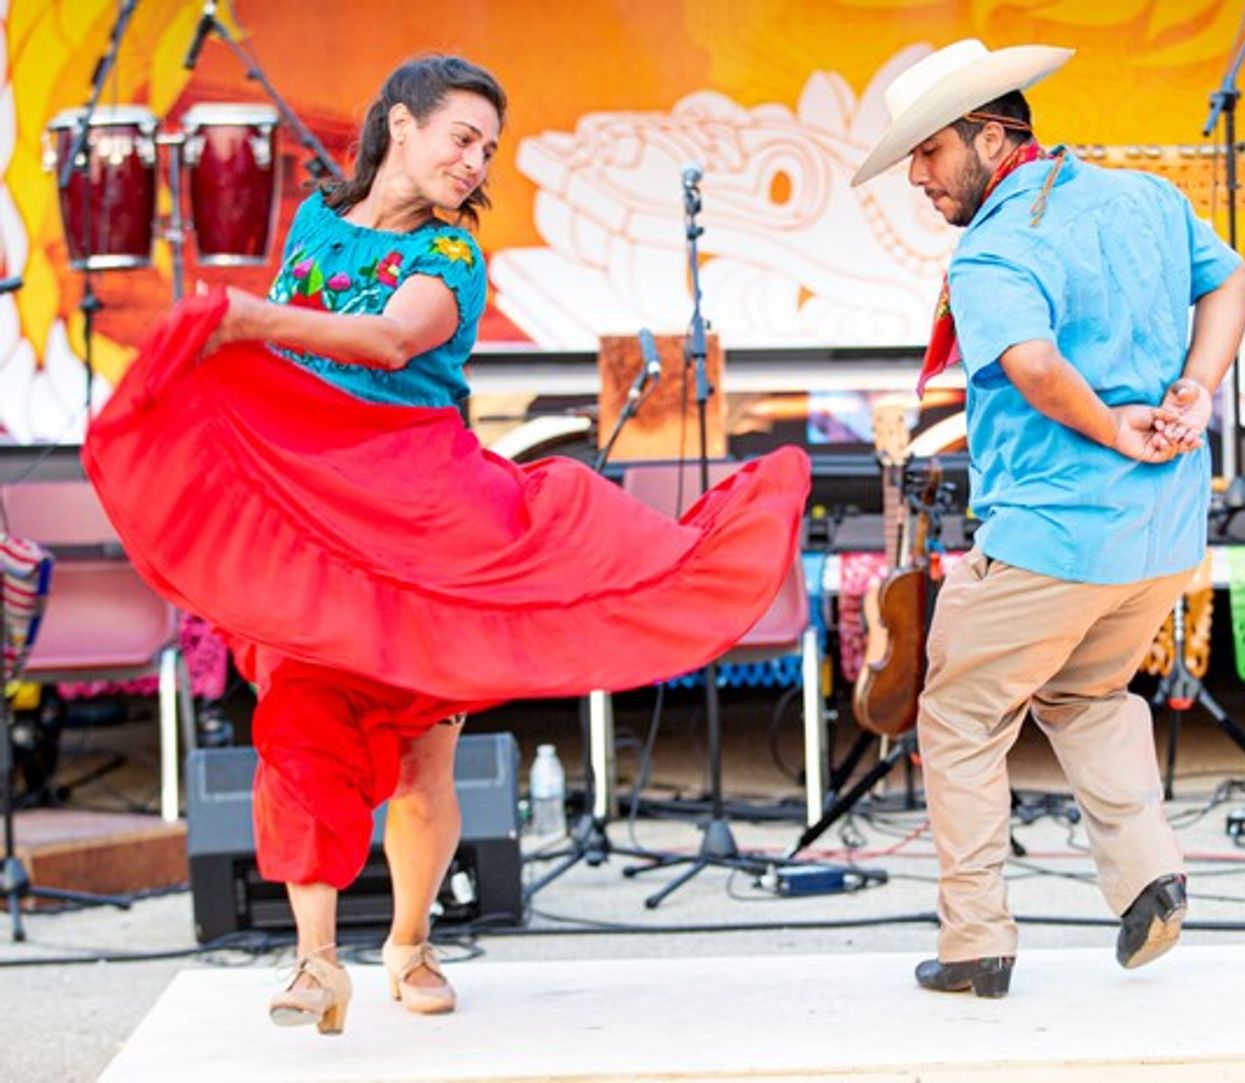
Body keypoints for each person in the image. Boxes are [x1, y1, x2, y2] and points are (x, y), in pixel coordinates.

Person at [83, 55, 809, 1034]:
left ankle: (412, 941)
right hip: (316, 519)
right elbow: (286, 370)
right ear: (397, 124)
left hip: (424, 518)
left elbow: (387, 341)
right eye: (462, 137)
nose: (475, 162)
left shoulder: (453, 259)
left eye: (488, 150)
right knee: (295, 735)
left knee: (425, 761)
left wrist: (246, 318)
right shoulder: (311, 225)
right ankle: (314, 962)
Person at [851, 39, 1245, 998]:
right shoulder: (1143, 198)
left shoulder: (995, 243)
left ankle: (976, 943)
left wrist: (1114, 427)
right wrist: (1195, 390)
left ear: (992, 136)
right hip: (1158, 536)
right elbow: (1233, 282)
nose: (916, 176)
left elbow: (1030, 364)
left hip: (1054, 536)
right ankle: (1150, 876)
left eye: (929, 151)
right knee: (1083, 695)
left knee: (956, 713)